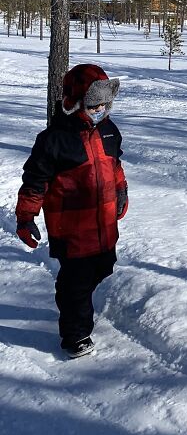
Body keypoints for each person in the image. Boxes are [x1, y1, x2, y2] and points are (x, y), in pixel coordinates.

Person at [15, 64, 128, 358]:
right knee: (75, 284)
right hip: (72, 229)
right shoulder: (54, 139)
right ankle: (75, 336)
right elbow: (34, 183)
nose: (100, 110)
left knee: (103, 269)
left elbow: (116, 167)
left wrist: (121, 191)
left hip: (104, 226)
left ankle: (78, 304)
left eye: (105, 104)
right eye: (93, 105)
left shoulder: (109, 132)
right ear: (75, 102)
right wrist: (26, 217)